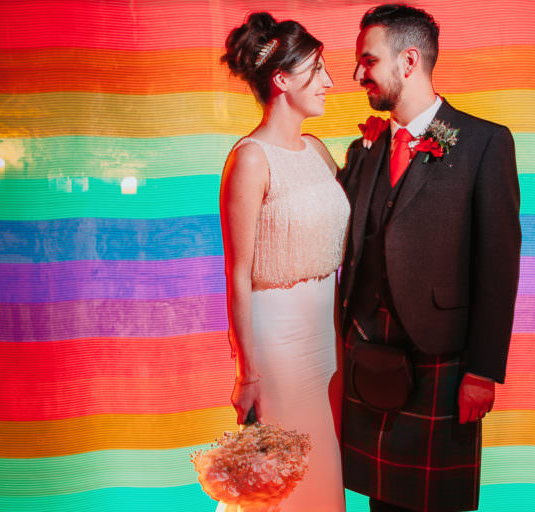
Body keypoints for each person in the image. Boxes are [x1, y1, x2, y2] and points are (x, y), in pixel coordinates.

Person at [338, 4, 522, 512]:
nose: (357, 75)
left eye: (367, 61)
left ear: (408, 61)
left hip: (443, 363)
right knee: (379, 504)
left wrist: (483, 371)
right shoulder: (369, 148)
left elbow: (499, 266)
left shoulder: (485, 143)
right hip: (369, 359)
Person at [218, 12, 349, 512]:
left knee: (322, 468)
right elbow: (237, 273)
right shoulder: (250, 158)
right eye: (317, 70)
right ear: (282, 79)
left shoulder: (318, 151)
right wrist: (246, 372)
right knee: (283, 479)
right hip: (278, 342)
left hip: (327, 334)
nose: (330, 82)